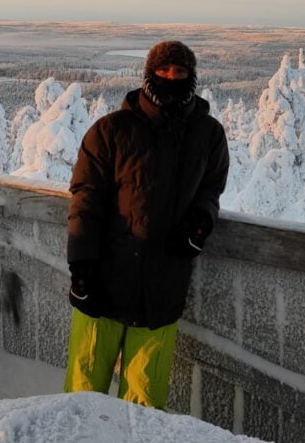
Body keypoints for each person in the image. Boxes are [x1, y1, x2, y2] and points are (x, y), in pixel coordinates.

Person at [63, 40, 229, 409]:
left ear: (192, 77)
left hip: (162, 288)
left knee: (144, 406)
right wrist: (81, 266)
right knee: (81, 397)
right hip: (102, 283)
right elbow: (86, 199)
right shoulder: (111, 130)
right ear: (148, 75)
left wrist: (201, 223)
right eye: (163, 70)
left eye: (181, 72)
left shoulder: (209, 135)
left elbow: (211, 189)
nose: (172, 77)